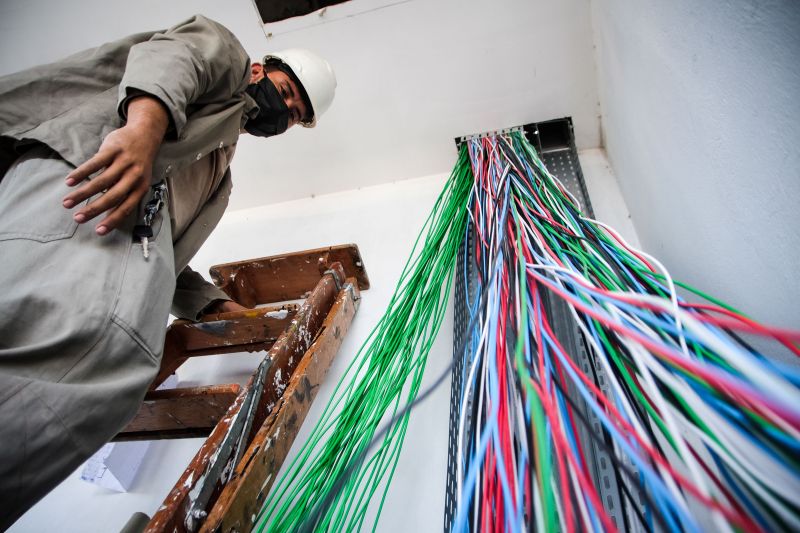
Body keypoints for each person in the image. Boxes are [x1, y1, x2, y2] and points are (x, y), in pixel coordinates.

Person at [0, 14, 336, 528]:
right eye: (286, 91)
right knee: (97, 337)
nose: (283, 110)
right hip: (90, 188)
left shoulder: (219, 177)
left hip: (124, 233)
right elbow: (176, 58)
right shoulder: (226, 59)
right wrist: (141, 131)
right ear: (261, 71)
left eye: (293, 114)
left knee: (117, 367)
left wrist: (215, 305)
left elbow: (167, 257)